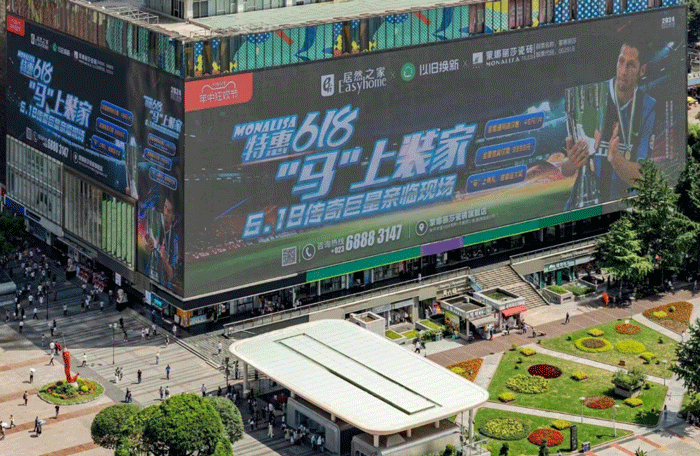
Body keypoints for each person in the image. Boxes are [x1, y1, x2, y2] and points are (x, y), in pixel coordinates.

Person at [560, 39, 656, 210]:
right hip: (584, 209)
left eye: (631, 65)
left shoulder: (648, 107)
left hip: (622, 211)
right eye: (621, 61)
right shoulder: (591, 96)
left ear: (642, 70)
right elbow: (565, 168)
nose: (623, 71)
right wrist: (573, 161)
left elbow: (642, 178)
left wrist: (616, 159)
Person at [144, 196, 180, 290]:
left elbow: (172, 275)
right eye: (165, 207)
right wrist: (147, 248)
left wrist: (165, 261)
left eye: (169, 211)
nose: (165, 213)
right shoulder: (155, 224)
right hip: (149, 279)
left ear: (173, 217)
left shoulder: (174, 239)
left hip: (163, 287)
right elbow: (144, 247)